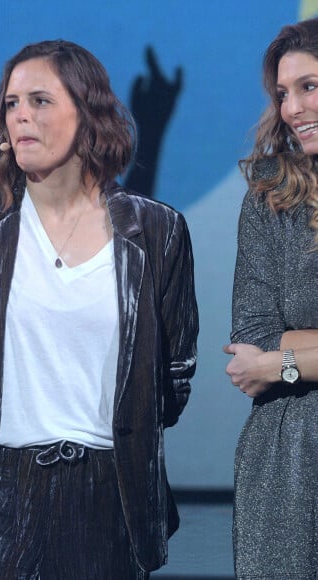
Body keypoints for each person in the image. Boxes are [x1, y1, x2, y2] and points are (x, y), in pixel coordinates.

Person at [0, 39, 198, 578]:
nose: (20, 116)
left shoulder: (157, 231)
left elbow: (173, 375)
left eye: (39, 101)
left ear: (89, 114)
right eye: (11, 104)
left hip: (109, 500)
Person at [224, 18, 318, 580]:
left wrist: (282, 363)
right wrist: (272, 356)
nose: (290, 108)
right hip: (288, 458)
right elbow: (252, 338)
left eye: (309, 87)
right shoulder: (270, 193)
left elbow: (268, 356)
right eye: (282, 94)